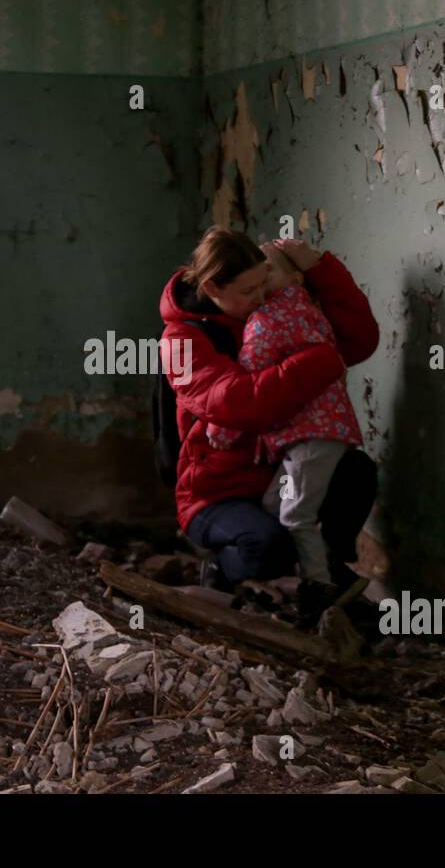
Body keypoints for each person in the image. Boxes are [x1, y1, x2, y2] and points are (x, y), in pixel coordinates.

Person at [157, 225, 380, 625]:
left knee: (355, 473)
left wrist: (320, 269)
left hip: (275, 473)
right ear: (211, 288)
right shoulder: (180, 342)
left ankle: (325, 578)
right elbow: (242, 404)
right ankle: (223, 571)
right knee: (268, 545)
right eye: (247, 291)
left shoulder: (267, 311)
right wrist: (323, 360)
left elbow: (359, 341)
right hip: (216, 495)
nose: (261, 297)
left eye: (264, 284)